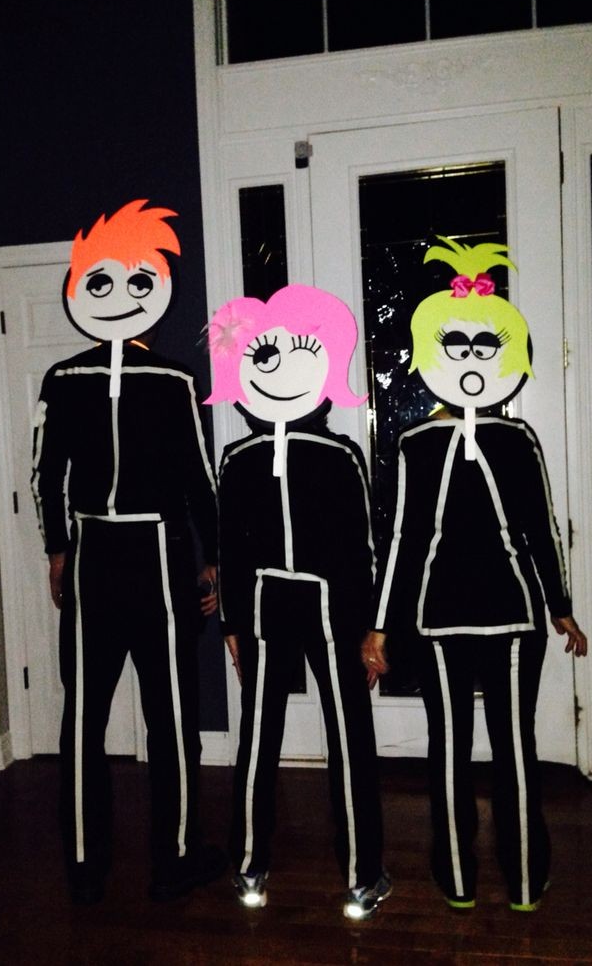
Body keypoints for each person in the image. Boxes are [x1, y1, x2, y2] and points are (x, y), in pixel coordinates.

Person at [362, 237, 587, 912]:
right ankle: (501, 879)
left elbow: (534, 528)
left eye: (482, 345)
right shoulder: (448, 441)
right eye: (456, 345)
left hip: (483, 619)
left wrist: (560, 604)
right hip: (471, 619)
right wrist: (379, 624)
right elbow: (405, 537)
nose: (469, 358)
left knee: (474, 747)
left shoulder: (485, 440)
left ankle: (485, 878)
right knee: (487, 747)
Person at [31, 199, 225, 905]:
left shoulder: (63, 380)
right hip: (156, 556)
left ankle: (87, 867)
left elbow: (44, 477)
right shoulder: (175, 381)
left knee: (85, 718)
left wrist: (59, 549)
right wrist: (213, 557)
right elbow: (201, 480)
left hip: (97, 555)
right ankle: (173, 860)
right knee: (168, 718)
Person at [205, 283, 390, 920]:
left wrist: (371, 629)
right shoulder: (241, 458)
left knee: (336, 737)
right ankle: (261, 865)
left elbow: (363, 547)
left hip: (323, 613)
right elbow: (230, 545)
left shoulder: (335, 455)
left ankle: (353, 872)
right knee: (270, 739)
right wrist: (233, 623)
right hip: (274, 612)